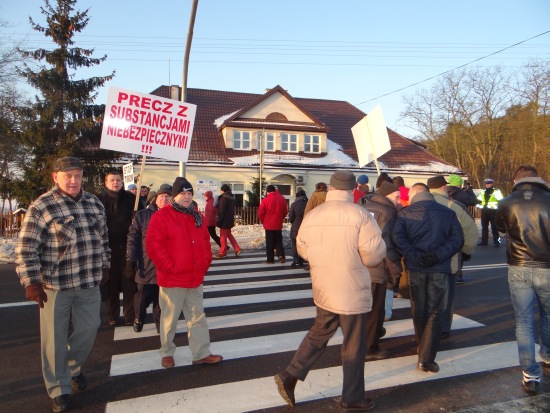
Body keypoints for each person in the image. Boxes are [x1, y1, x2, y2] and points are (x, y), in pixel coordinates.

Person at [274, 170, 386, 412]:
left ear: (331, 188)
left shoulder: (314, 214)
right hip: (351, 287)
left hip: (324, 284)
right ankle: (352, 398)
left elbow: (302, 248)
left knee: (320, 331)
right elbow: (373, 255)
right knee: (354, 344)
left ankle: (290, 374)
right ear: (352, 190)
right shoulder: (361, 215)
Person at [15, 157, 110, 413]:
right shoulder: (42, 206)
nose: (73, 180)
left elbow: (103, 238)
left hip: (88, 282)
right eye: (68, 175)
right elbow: (26, 248)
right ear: (55, 177)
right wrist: (31, 281)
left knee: (89, 329)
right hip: (55, 286)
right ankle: (59, 388)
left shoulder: (94, 203)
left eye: (77, 175)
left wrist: (105, 264)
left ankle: (72, 367)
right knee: (54, 340)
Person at [146, 177, 223, 368]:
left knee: (197, 317)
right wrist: (171, 267)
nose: (187, 197)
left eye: (189, 193)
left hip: (195, 276)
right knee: (169, 319)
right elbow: (154, 246)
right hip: (172, 278)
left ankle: (201, 352)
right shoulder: (162, 216)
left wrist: (205, 262)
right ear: (174, 196)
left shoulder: (197, 216)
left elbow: (205, 242)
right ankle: (167, 352)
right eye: (183, 193)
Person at [392, 183, 463, 374]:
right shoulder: (447, 212)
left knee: (419, 310)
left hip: (416, 268)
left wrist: (415, 256)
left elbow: (398, 239)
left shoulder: (405, 213)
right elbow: (457, 240)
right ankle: (426, 357)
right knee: (435, 312)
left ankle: (422, 349)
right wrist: (437, 256)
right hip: (439, 267)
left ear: (415, 194)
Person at [495, 165, 550, 394]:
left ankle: (530, 373)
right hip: (548, 266)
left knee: (524, 321)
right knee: (548, 316)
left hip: (519, 265)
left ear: (515, 180)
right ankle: (547, 355)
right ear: (538, 178)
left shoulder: (506, 202)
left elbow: (501, 231)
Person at [427, 175, 478, 339]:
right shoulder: (453, 205)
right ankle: (443, 329)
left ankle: (425, 328)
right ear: (443, 187)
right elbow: (470, 231)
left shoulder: (415, 205)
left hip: (421, 262)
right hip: (448, 261)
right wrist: (466, 251)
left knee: (424, 296)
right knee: (446, 297)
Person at [361, 181, 402, 360]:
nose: (399, 200)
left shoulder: (362, 207)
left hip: (359, 265)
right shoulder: (389, 212)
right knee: (375, 309)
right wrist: (395, 271)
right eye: (396, 197)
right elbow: (387, 245)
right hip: (377, 266)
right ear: (387, 196)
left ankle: (369, 335)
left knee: (363, 307)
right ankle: (370, 347)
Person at [126, 184, 172, 334]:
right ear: (155, 199)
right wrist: (130, 259)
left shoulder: (174, 215)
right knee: (142, 297)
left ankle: (161, 326)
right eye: (161, 196)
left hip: (166, 265)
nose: (164, 199)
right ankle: (138, 318)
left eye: (167, 197)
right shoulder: (142, 215)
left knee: (162, 300)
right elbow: (132, 238)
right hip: (146, 263)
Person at [99, 170, 139, 326]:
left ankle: (130, 315)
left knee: (129, 282)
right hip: (107, 247)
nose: (115, 183)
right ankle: (112, 315)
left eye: (118, 180)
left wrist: (136, 216)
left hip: (127, 246)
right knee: (111, 284)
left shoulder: (131, 199)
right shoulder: (98, 200)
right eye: (112, 180)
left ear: (122, 182)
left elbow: (140, 220)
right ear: (106, 183)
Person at [258, 184, 288, 264]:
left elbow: (260, 213)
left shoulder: (265, 200)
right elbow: (285, 211)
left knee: (270, 242)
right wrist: (280, 218)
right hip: (278, 224)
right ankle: (281, 255)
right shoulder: (282, 198)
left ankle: (270, 259)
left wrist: (263, 220)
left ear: (267, 191)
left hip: (269, 224)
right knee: (278, 241)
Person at [215, 184, 242, 258]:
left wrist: (219, 220)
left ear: (223, 190)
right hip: (230, 219)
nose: (220, 191)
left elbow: (222, 210)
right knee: (229, 235)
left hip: (224, 220)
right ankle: (237, 249)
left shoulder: (223, 198)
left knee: (223, 236)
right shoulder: (231, 198)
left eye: (221, 190)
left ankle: (222, 252)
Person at [476, 178, 504, 247]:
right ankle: (484, 242)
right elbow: (478, 201)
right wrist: (479, 206)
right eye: (486, 184)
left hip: (493, 212)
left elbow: (501, 201)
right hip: (484, 211)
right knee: (484, 227)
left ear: (492, 184)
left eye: (489, 183)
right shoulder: (483, 192)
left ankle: (497, 242)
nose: (487, 185)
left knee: (494, 228)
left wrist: (496, 208)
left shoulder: (496, 191)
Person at [288, 188, 308, 268]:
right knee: (304, 243)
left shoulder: (294, 204)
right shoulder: (308, 203)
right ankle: (301, 259)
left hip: (296, 226)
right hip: (305, 226)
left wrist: (294, 222)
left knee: (294, 243)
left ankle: (295, 259)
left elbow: (291, 217)